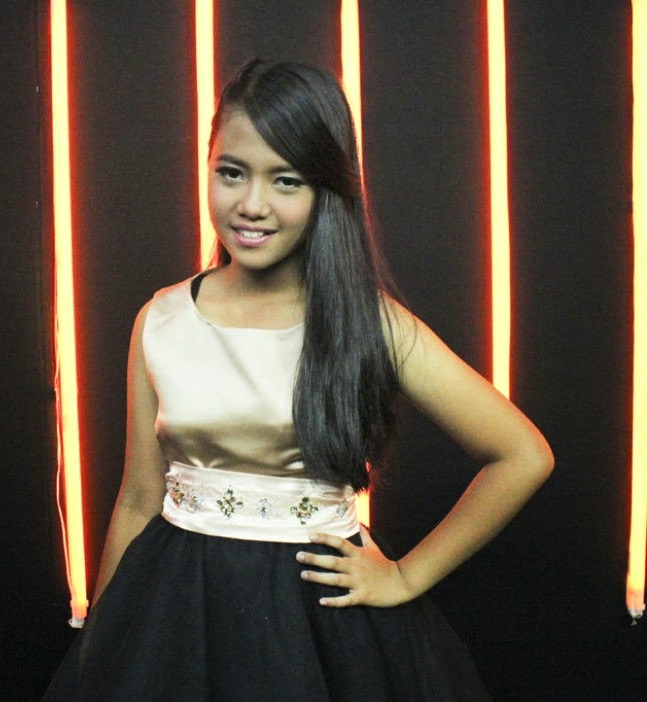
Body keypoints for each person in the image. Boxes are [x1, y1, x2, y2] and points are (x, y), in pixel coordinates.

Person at [43, 59, 553, 701]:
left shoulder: (368, 322)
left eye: (285, 180)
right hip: (176, 608)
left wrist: (405, 576)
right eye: (231, 172)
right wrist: (103, 648)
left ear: (326, 190)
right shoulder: (162, 319)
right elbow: (139, 500)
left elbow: (522, 454)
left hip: (316, 620)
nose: (251, 204)